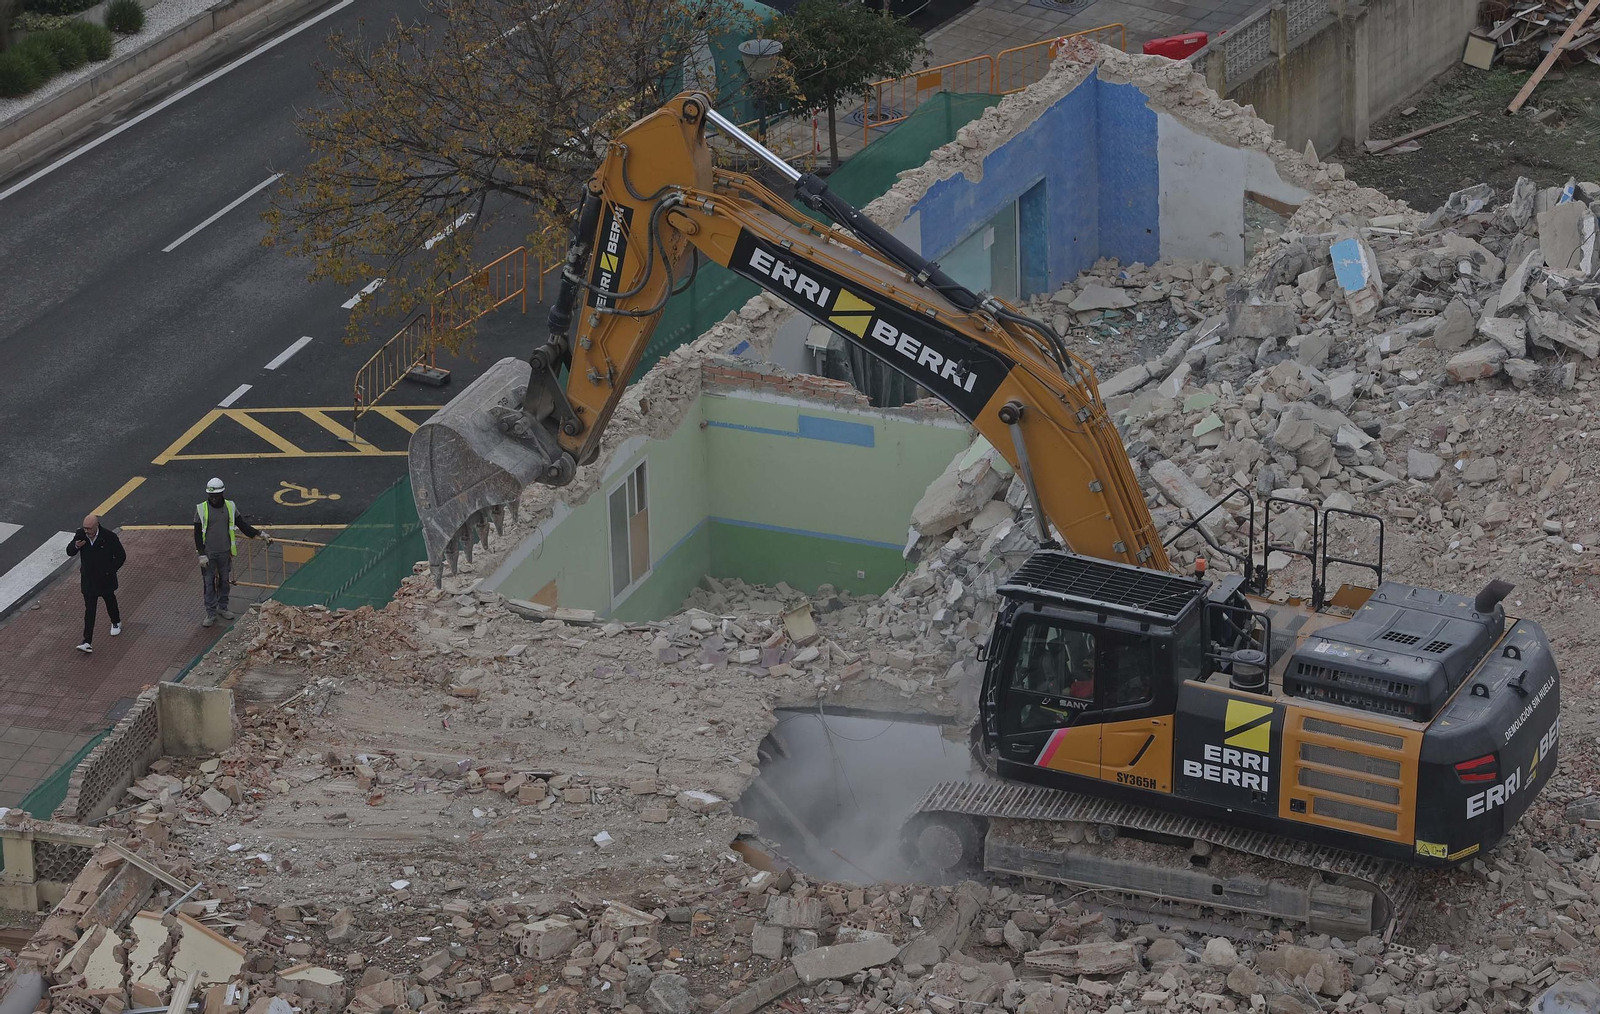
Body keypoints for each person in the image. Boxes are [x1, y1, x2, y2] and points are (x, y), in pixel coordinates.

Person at [193, 478, 270, 627]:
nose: (213, 499)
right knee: (208, 583)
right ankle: (211, 612)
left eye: (216, 495)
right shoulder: (201, 509)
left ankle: (223, 607)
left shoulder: (230, 506)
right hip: (208, 554)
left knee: (224, 581)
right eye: (211, 496)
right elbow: (197, 533)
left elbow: (242, 525)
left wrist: (259, 534)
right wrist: (201, 554)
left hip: (224, 553)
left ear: (222, 493)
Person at [66, 514, 125, 654]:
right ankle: (87, 641)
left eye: (89, 528)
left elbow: (121, 556)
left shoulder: (109, 537)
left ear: (96, 525)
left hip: (105, 579)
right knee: (90, 610)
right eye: (85, 528)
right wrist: (76, 545)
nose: (86, 531)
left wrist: (109, 571)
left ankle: (116, 621)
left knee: (110, 600)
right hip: (89, 580)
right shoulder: (81, 535)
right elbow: (69, 551)